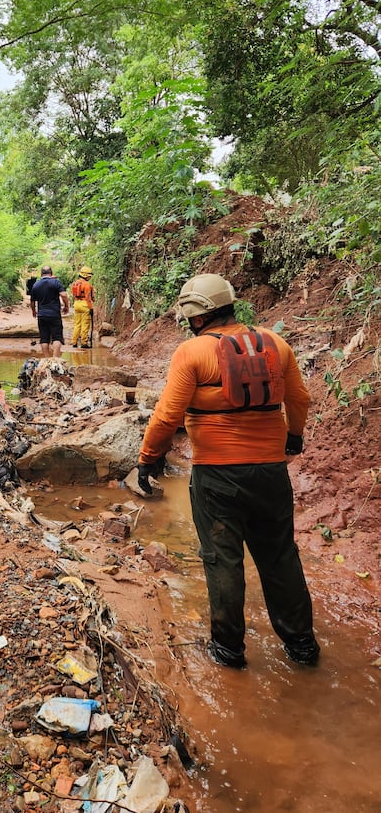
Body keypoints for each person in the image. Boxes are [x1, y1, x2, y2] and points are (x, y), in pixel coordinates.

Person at [137, 273, 319, 669]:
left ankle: (228, 650)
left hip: (217, 476)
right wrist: (293, 439)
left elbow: (168, 416)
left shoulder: (193, 352)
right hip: (271, 472)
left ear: (196, 315)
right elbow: (299, 398)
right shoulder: (276, 343)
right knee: (280, 556)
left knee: (223, 559)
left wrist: (148, 457)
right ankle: (302, 645)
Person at [30, 265, 70, 357]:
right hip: (54, 314)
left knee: (44, 338)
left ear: (41, 273)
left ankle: (47, 359)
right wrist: (66, 306)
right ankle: (55, 359)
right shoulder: (55, 282)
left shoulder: (36, 284)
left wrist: (34, 311)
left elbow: (32, 301)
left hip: (42, 315)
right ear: (51, 273)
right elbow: (63, 295)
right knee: (57, 337)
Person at [70, 265, 95, 348]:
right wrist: (91, 308)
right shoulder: (87, 284)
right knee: (85, 324)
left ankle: (74, 342)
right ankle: (84, 343)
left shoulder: (75, 283)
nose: (89, 278)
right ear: (86, 275)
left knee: (77, 324)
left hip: (76, 304)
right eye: (89, 276)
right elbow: (88, 298)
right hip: (85, 304)